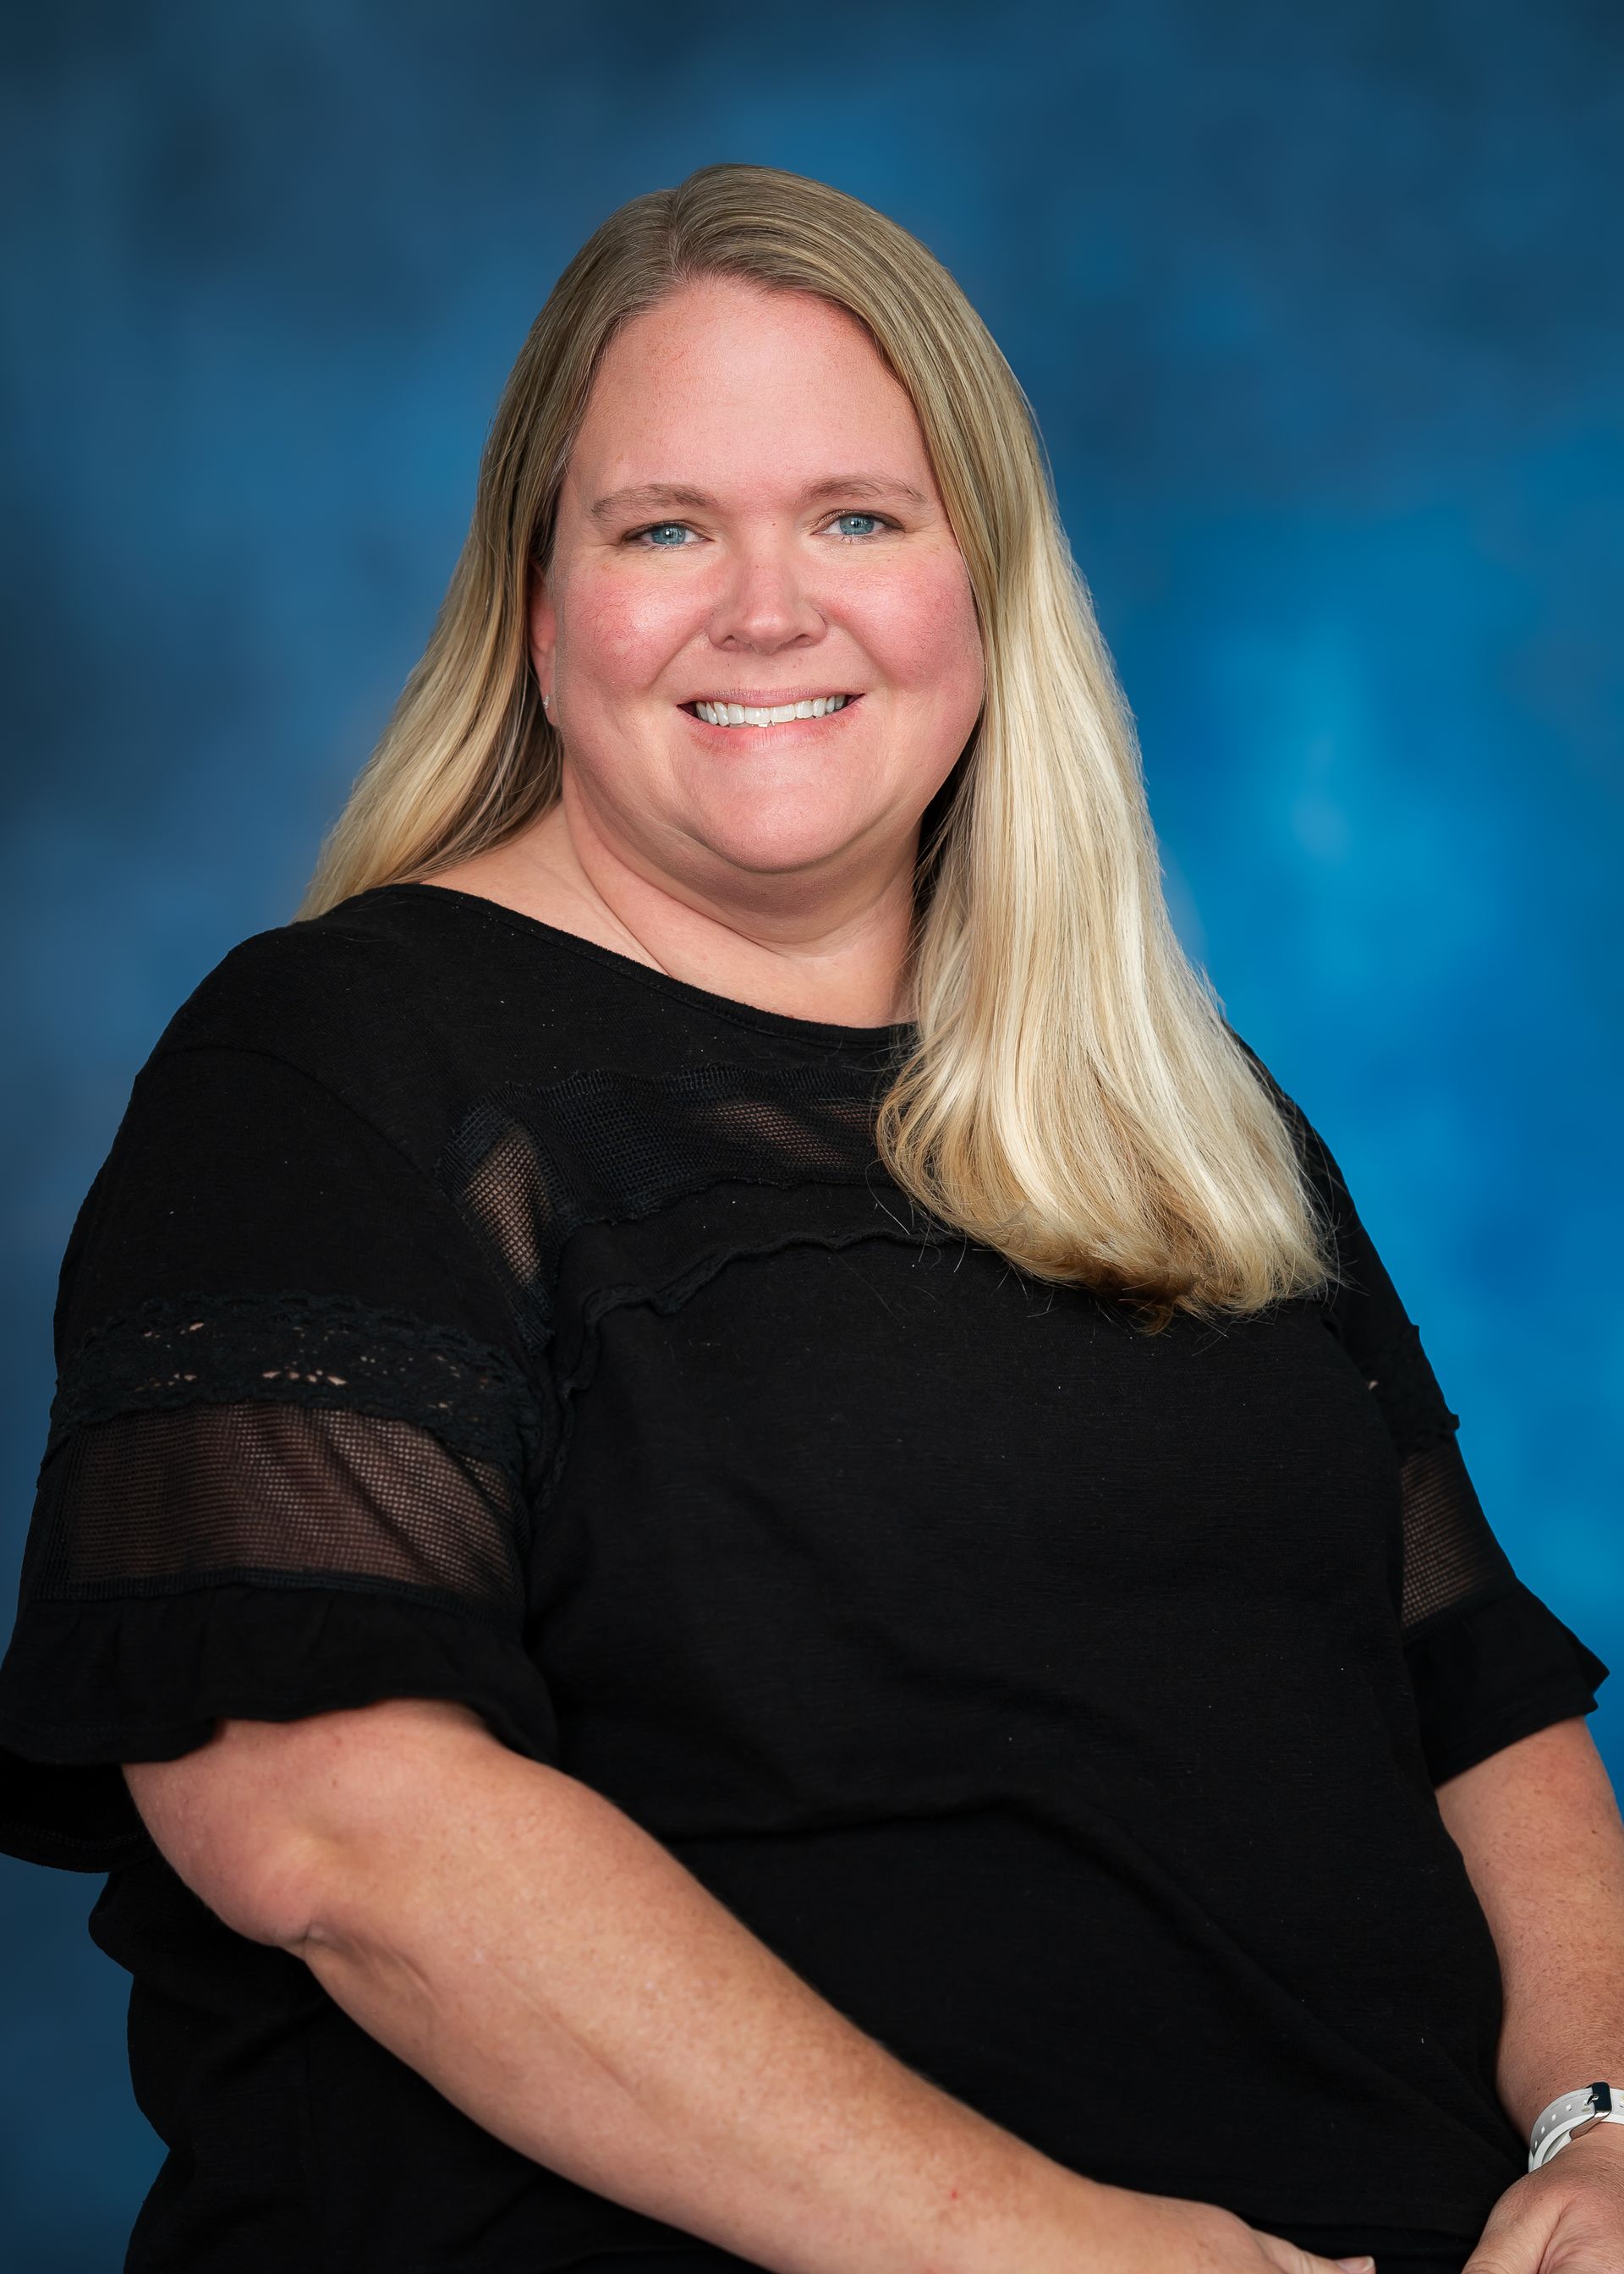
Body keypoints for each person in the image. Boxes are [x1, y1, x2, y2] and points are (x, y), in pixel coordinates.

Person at [0, 162, 1618, 2274]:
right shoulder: (335, 1066)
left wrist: (1597, 2121)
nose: (769, 610)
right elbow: (332, 1827)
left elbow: (1475, 1709)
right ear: (538, 607)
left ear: (985, 592)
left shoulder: (1172, 1108)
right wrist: (1075, 2257)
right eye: (665, 528)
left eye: (858, 516)